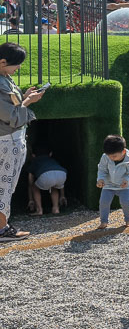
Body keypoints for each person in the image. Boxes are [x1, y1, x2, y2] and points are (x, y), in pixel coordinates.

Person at [0, 44, 42, 241]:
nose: (18, 68)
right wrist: (27, 102)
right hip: (6, 141)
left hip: (12, 139)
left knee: (7, 184)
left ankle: (3, 226)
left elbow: (13, 107)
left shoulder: (5, 78)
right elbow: (12, 116)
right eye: (16, 65)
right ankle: (2, 230)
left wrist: (24, 98)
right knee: (4, 185)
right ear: (2, 62)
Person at [95, 134, 129, 229]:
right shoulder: (105, 157)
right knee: (103, 202)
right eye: (109, 156)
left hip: (124, 185)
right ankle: (104, 222)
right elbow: (102, 169)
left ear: (123, 151)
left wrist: (127, 180)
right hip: (108, 184)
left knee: (126, 202)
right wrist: (100, 179)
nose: (111, 158)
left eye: (114, 156)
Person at [26, 143, 67, 216]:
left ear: (33, 155)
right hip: (62, 173)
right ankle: (56, 208)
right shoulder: (53, 160)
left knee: (34, 187)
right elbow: (60, 183)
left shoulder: (35, 161)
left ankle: (39, 210)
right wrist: (62, 195)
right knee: (54, 186)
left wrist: (31, 200)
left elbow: (30, 183)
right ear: (50, 154)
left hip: (45, 175)